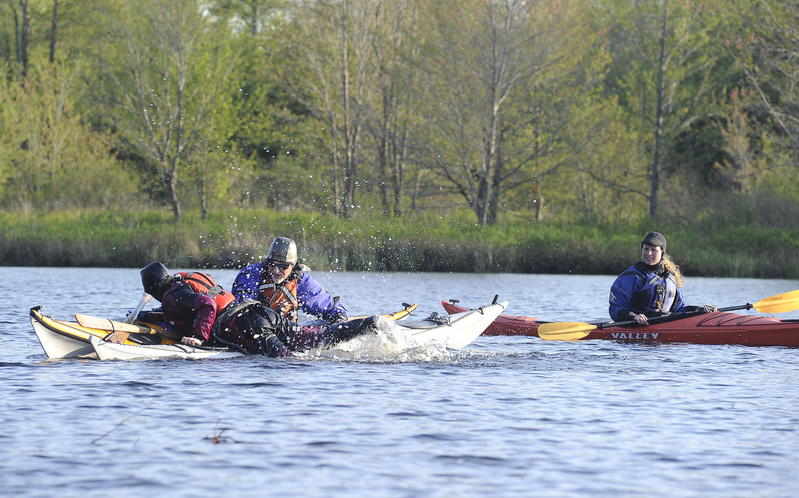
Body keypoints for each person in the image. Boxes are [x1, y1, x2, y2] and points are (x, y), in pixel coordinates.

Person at [140, 261, 377, 357]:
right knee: (315, 338)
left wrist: (197, 337)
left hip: (244, 325)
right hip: (259, 313)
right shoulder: (187, 281)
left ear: (154, 290)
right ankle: (370, 324)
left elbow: (207, 305)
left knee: (288, 360)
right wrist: (146, 316)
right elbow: (193, 307)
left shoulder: (172, 295)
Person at [231, 236, 349, 323]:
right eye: (272, 264)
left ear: (293, 266)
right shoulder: (251, 275)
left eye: (283, 266)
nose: (276, 271)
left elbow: (332, 308)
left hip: (283, 333)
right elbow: (242, 307)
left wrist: (340, 321)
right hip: (251, 332)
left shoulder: (300, 282)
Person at [608, 232, 715, 325]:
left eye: (654, 250)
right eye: (646, 249)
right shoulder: (630, 277)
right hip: (635, 330)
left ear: (662, 252)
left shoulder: (671, 278)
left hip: (664, 327)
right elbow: (615, 309)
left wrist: (701, 310)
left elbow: (679, 309)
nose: (649, 253)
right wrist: (633, 317)